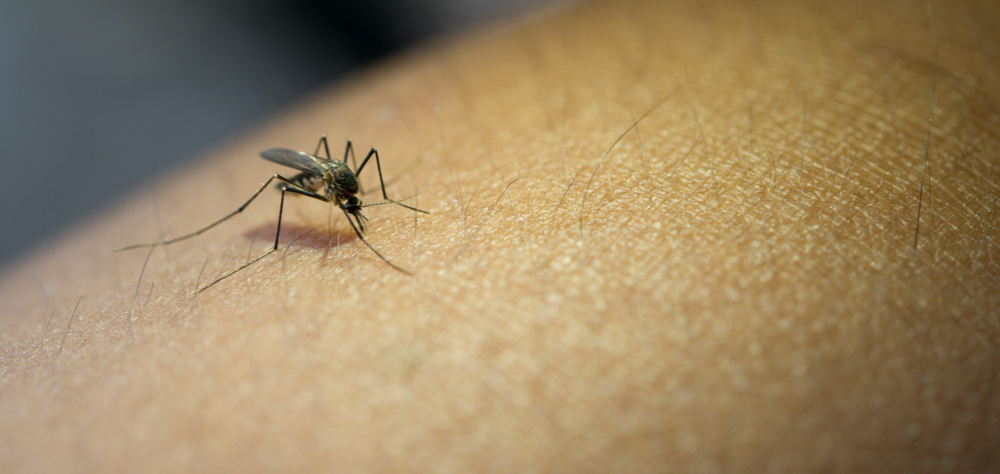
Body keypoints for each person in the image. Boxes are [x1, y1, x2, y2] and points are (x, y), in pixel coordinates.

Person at [1, 0, 996, 470]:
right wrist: (318, 219)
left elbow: (359, 178)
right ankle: (226, 239)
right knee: (285, 194)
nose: (349, 211)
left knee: (349, 143)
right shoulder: (317, 191)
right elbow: (320, 179)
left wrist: (382, 215)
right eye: (350, 211)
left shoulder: (354, 182)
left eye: (350, 211)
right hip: (281, 178)